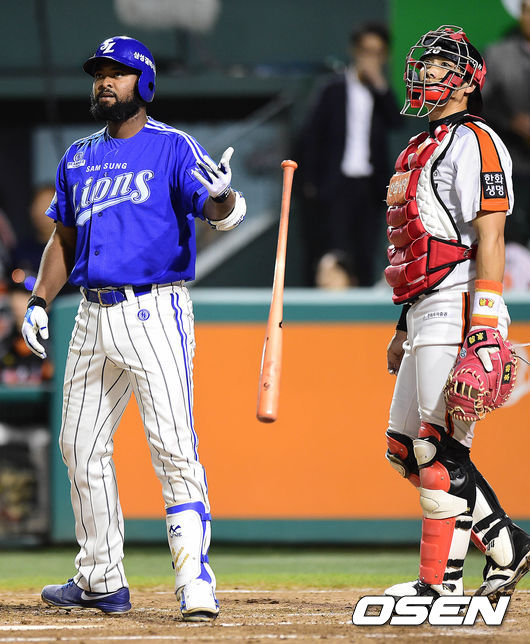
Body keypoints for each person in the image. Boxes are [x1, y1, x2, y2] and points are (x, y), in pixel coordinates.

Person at [21, 36, 246, 621]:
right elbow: (63, 240)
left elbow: (219, 212)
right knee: (78, 445)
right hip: (90, 314)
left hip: (154, 310)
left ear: (143, 83)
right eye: (99, 72)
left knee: (173, 447)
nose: (104, 81)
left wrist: (223, 197)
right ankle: (101, 579)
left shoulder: (173, 146)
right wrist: (40, 300)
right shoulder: (77, 157)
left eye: (117, 73)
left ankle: (195, 581)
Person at [383, 25, 529, 600]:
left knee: (437, 446)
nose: (427, 72)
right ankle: (507, 544)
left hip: (461, 302)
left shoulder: (477, 140)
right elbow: (415, 246)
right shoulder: (418, 146)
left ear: (467, 82)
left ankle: (439, 583)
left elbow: (490, 235)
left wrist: (486, 325)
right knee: (405, 447)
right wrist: (402, 326)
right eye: (426, 64)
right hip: (424, 307)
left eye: (441, 65)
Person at [298, 22, 402, 287]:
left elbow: (396, 121)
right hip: (336, 185)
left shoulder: (380, 93)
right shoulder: (332, 90)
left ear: (385, 56)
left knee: (366, 254)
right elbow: (312, 137)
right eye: (366, 51)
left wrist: (379, 84)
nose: (370, 58)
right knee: (334, 254)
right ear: (354, 51)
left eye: (377, 53)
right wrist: (311, 183)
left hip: (370, 186)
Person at [482, 0, 530, 247]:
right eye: (526, 11)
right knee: (511, 243)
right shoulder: (497, 55)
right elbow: (480, 102)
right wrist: (512, 121)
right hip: (510, 164)